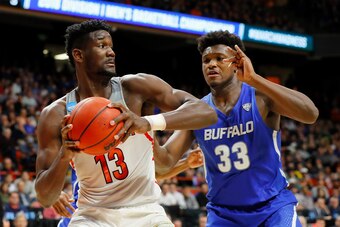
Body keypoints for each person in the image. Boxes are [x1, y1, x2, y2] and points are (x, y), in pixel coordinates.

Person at [34, 19, 217, 227]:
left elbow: (206, 112)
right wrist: (64, 156)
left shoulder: (135, 88)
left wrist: (146, 122)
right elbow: (45, 197)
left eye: (111, 47)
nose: (111, 52)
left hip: (146, 211)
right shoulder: (56, 115)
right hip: (93, 216)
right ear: (79, 55)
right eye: (102, 46)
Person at [152, 30, 319, 226]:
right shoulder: (198, 111)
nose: (212, 64)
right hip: (224, 214)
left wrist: (254, 78)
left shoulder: (261, 98)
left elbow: (310, 114)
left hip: (272, 207)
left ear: (235, 63)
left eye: (220, 58)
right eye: (206, 60)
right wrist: (147, 127)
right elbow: (163, 164)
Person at [53, 148, 204, 226]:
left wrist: (185, 163)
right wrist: (53, 193)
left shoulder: (129, 139)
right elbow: (44, 173)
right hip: (85, 215)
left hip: (127, 215)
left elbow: (150, 175)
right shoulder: (78, 137)